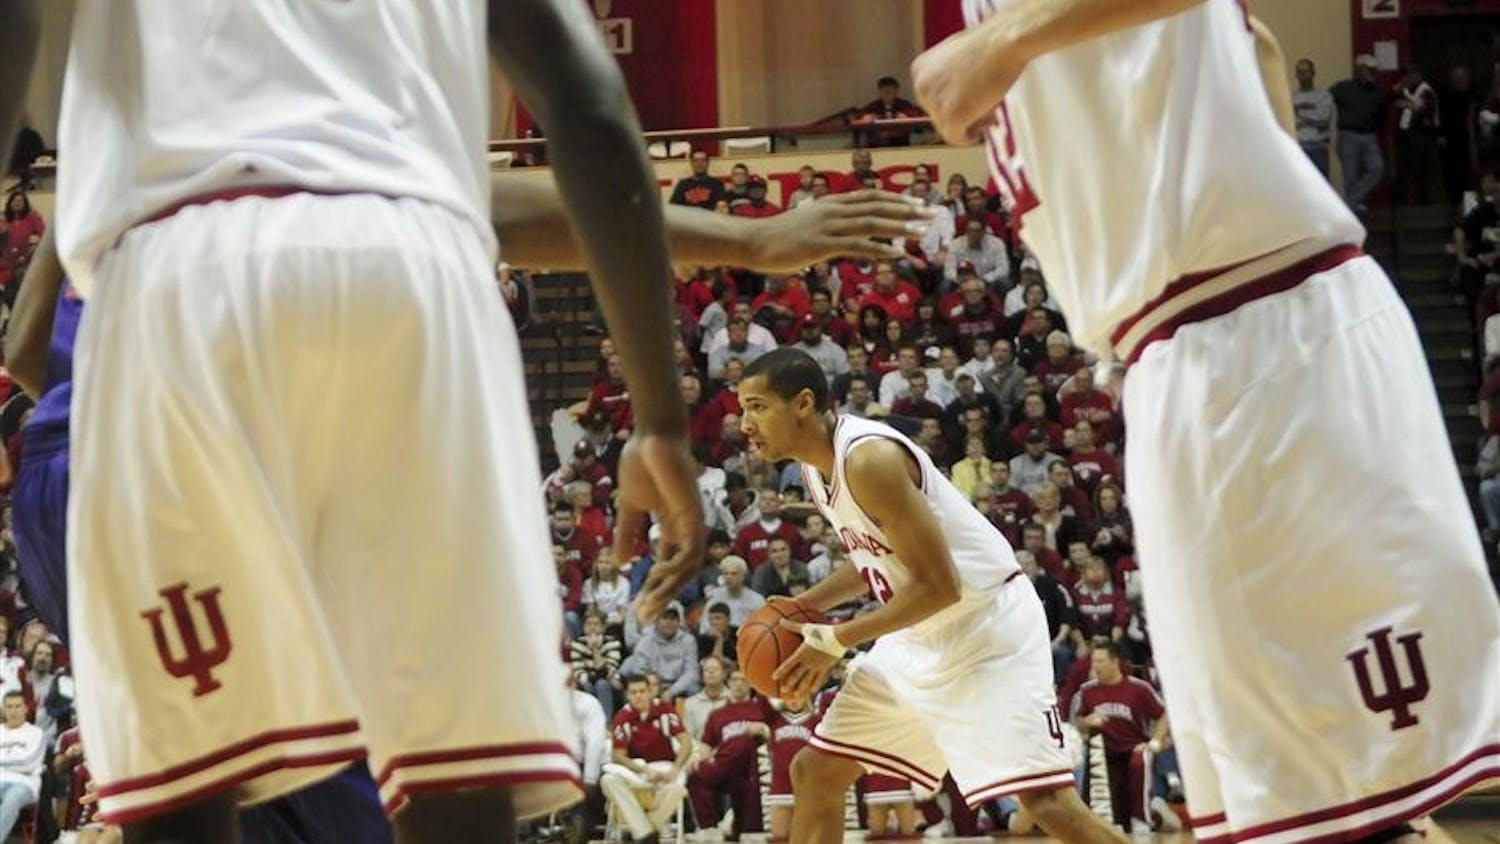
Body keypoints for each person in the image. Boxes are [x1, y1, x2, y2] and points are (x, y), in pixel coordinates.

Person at [26, 0, 713, 840]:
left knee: (184, 794)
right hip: (413, 259)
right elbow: (588, 103)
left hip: (172, 266)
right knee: (458, 784)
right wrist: (660, 418)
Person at [911, 4, 1500, 843]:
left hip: (1248, 326)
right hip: (1203, 344)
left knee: (1334, 812)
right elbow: (1258, 48)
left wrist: (1006, 40)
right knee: (1309, 809)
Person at [738, 349, 1129, 844]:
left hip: (987, 629)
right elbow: (876, 558)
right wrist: (802, 610)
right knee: (815, 772)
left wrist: (836, 640)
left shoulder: (869, 459)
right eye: (743, 410)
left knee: (1047, 805)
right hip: (920, 635)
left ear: (803, 403)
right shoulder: (817, 469)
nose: (745, 424)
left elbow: (940, 586)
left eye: (757, 407)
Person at [1072, 642, 1173, 834]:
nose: (1095, 666)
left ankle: (1141, 820)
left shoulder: (1139, 688)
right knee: (1116, 818)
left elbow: (1163, 715)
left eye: (1100, 661)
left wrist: (1156, 741)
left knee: (1141, 759)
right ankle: (1157, 813)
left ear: (1115, 662)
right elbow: (1078, 722)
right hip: (1104, 755)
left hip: (1133, 749)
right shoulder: (1086, 691)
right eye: (1093, 661)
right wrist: (1086, 721)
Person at [603, 676, 693, 843]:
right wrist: (644, 770)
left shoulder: (665, 710)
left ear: (650, 692)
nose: (638, 696)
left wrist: (675, 768)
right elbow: (618, 755)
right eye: (633, 692)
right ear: (627, 695)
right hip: (637, 770)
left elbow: (686, 742)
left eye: (642, 691)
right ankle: (647, 833)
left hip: (665, 768)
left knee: (678, 789)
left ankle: (642, 831)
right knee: (608, 781)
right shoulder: (622, 716)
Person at [685, 670, 770, 841]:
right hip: (723, 766)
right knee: (695, 772)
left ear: (750, 684)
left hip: (752, 769)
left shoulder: (761, 709)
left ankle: (742, 828)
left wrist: (763, 728)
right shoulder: (717, 714)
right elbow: (706, 747)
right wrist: (696, 759)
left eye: (743, 680)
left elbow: (774, 736)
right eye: (734, 680)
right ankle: (709, 828)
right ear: (728, 684)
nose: (738, 684)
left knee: (745, 743)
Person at [1331, 54, 1389, 211]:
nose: (1371, 73)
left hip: (1370, 135)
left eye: (1373, 70)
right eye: (1368, 69)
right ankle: (1353, 206)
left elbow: (1382, 114)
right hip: (1348, 135)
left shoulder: (1377, 91)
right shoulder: (1342, 88)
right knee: (1351, 176)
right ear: (1359, 69)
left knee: (1377, 168)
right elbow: (1326, 101)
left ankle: (1349, 203)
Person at [0, 691, 41, 841]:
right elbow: (22, 761)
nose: (14, 711)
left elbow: (29, 763)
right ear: (4, 709)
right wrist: (16, 760)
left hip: (24, 784)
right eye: (9, 707)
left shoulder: (36, 733)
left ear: (25, 709)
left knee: (12, 799)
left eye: (18, 706)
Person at [1293, 59, 1334, 178]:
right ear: (1296, 75)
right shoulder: (1292, 97)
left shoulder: (1323, 96)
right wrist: (1312, 116)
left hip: (1318, 149)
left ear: (1313, 73)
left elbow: (1323, 123)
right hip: (1298, 148)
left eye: (1306, 71)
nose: (1303, 75)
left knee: (1321, 183)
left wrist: (1299, 114)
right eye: (1299, 72)